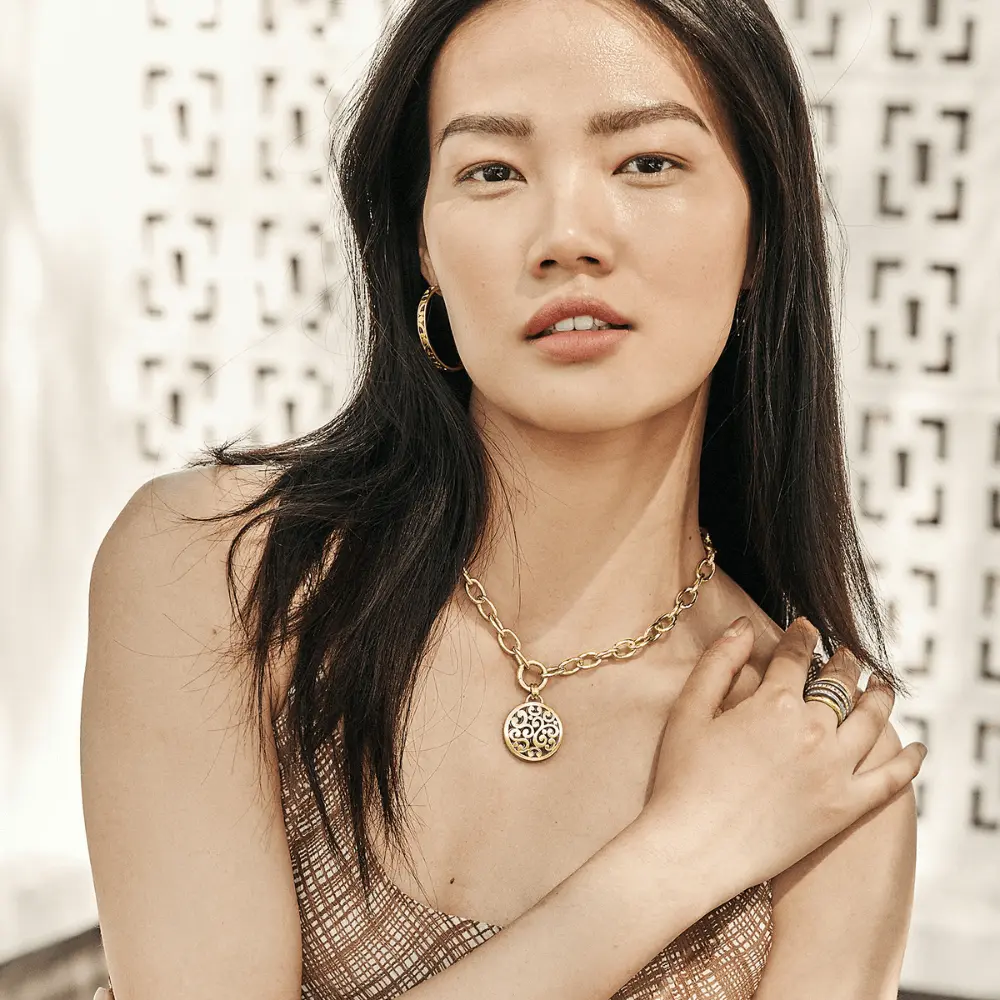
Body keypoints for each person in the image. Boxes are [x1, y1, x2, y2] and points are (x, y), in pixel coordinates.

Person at [82, 0, 927, 997]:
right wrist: (680, 854)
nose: (567, 236)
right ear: (422, 246)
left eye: (646, 162)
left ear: (762, 234)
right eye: (492, 172)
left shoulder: (823, 774)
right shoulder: (218, 576)